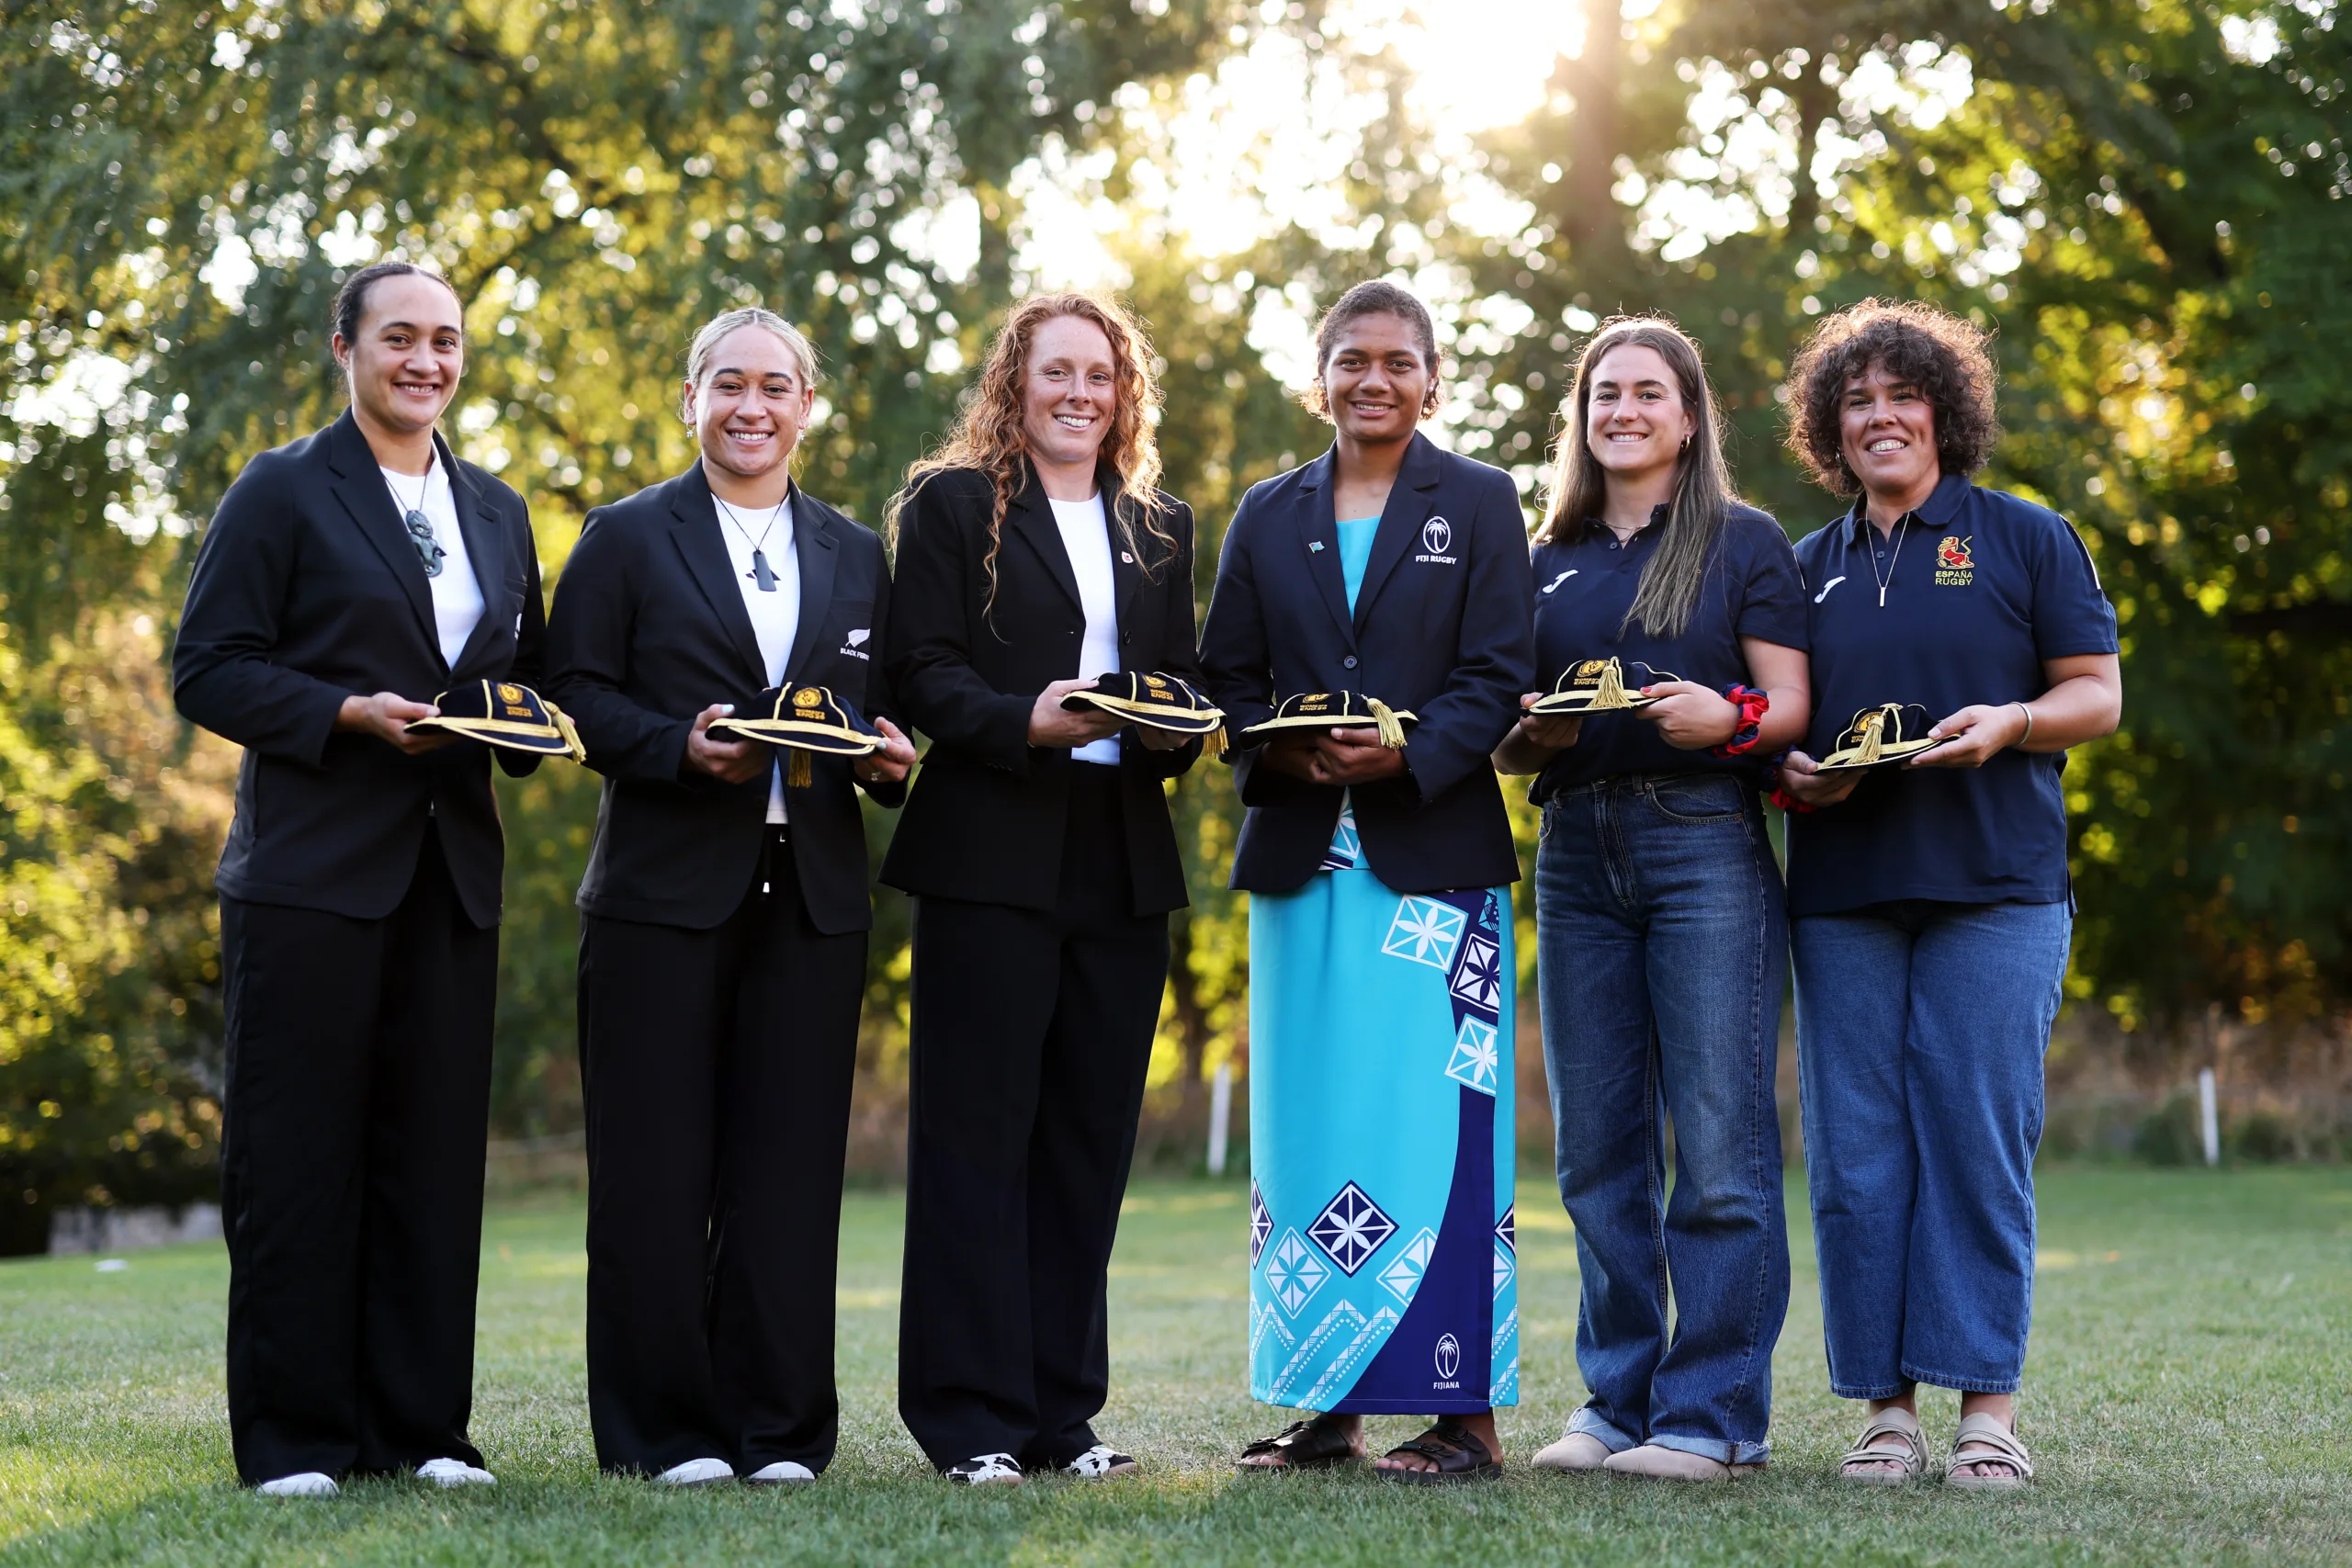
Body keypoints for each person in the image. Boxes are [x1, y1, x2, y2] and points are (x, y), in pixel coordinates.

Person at [173, 262, 545, 1495]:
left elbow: (515, 674)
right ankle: (295, 1440)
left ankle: (424, 1429)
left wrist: (528, 723)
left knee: (433, 1161)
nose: (425, 359)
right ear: (347, 347)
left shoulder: (496, 509)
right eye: (400, 337)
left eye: (444, 339)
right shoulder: (282, 489)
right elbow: (208, 668)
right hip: (309, 876)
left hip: (452, 877)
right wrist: (343, 710)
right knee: (297, 1160)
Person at [542, 308, 913, 1486]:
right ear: (689, 400)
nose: (752, 407)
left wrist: (891, 759)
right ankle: (665, 1435)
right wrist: (669, 744)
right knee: (655, 1171)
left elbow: (881, 710)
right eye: (728, 385)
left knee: (790, 1173)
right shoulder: (625, 536)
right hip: (659, 894)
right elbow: (571, 696)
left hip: (810, 896)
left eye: (776, 386)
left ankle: (781, 1431)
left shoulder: (857, 551)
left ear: (808, 406)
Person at [1773, 299, 2121, 1489]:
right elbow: (1777, 724)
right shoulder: (1802, 566)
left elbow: (2096, 694)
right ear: (1832, 426)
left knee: (1977, 1143)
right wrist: (1796, 772)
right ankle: (1885, 1412)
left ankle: (1988, 1413)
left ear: (1943, 409)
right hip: (1843, 892)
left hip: (1997, 887)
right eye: (1855, 400)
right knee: (1857, 1155)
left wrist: (2013, 723)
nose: (1878, 415)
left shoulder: (2024, 537)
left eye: (1899, 394)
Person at [1200, 280, 1534, 1482]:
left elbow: (1502, 673)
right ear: (1321, 375)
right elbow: (1225, 679)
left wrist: (1410, 750)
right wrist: (1284, 743)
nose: (1374, 379)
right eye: (1352, 360)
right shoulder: (1267, 510)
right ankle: (1323, 1401)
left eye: (1398, 360)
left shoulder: (1484, 502)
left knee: (1443, 1128)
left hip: (1435, 863)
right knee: (1308, 1126)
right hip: (1302, 862)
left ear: (1433, 379)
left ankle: (1464, 1411)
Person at [881, 294, 1204, 1486]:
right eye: (1055, 371)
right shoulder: (952, 505)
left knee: (1084, 1143)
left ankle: (1064, 1416)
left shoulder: (1160, 521)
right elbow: (918, 668)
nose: (1079, 392)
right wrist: (1021, 718)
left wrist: (1177, 726)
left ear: (1124, 393)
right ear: (1015, 384)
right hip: (987, 853)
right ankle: (966, 1416)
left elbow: (1176, 679)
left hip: (1119, 861)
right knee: (977, 1139)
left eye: (1101, 374)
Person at [1492, 318, 1809, 1481]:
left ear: (1687, 414)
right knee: (1595, 1149)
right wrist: (1529, 734)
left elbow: (1787, 707)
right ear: (1581, 418)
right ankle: (1613, 1404)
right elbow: (1511, 747)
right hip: (1574, 850)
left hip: (1703, 845)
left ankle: (1715, 1416)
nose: (1621, 410)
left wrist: (1722, 721)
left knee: (1718, 1144)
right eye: (1603, 394)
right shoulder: (1541, 555)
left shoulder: (1741, 540)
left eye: (1646, 393)